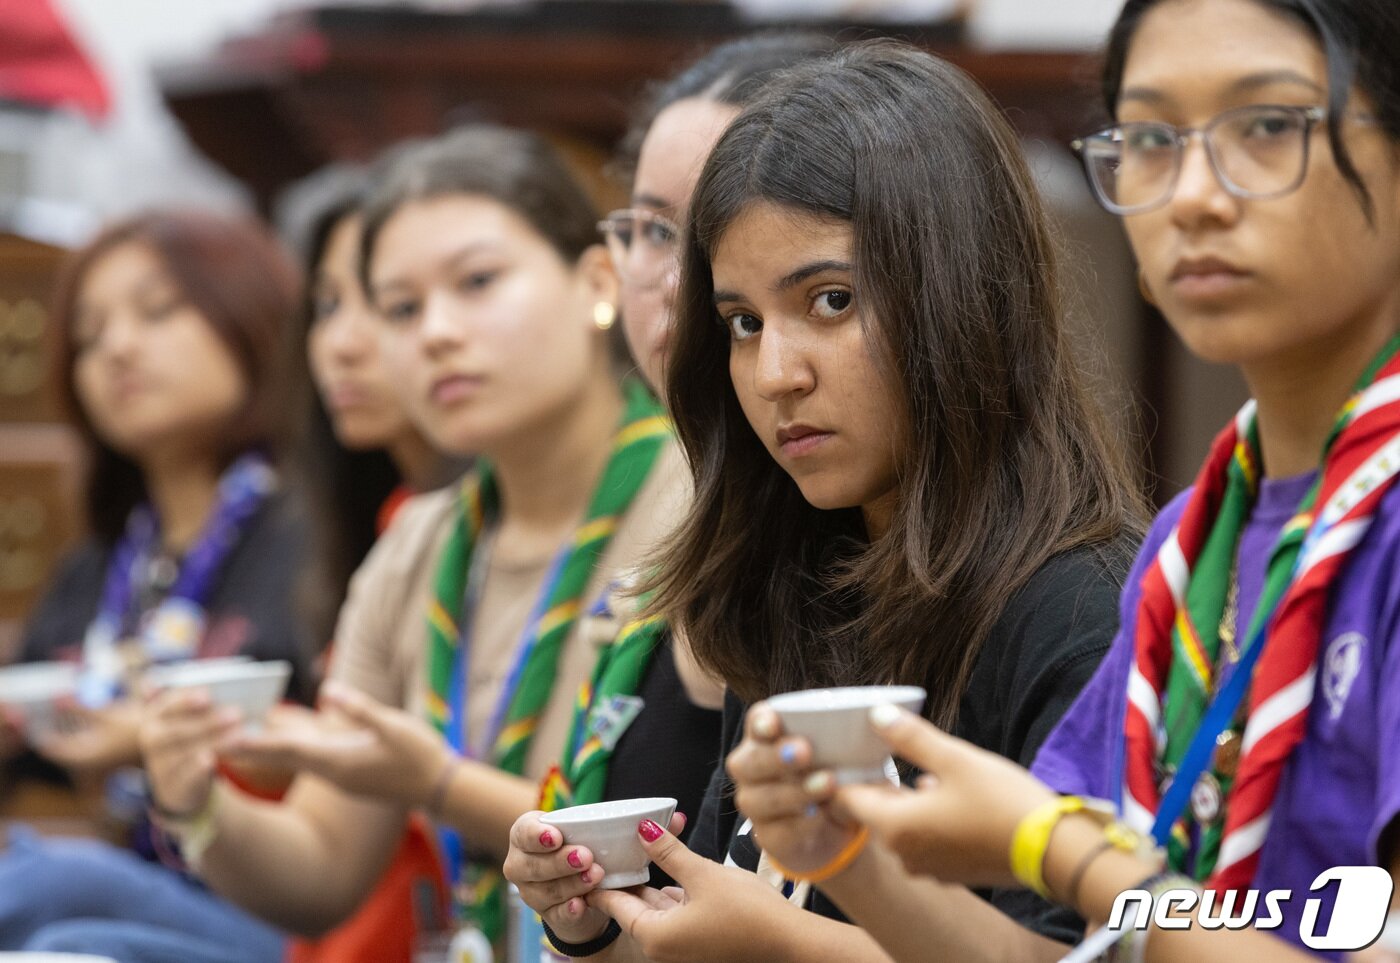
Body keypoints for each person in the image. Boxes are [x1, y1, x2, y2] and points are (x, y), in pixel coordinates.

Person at [510, 39, 1146, 962]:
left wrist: (779, 942)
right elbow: (744, 907)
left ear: (960, 292)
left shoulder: (1084, 610)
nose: (775, 374)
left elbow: (1092, 954)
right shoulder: (789, 579)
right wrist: (602, 920)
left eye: (833, 300)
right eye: (742, 323)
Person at [817, 2, 1400, 961]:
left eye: (1267, 127)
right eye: (1151, 140)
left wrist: (1058, 848)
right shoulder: (1189, 544)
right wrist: (849, 857)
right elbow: (1089, 953)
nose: (1194, 196)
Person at [138, 125, 696, 954]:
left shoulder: (695, 501)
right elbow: (323, 869)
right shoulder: (420, 545)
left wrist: (436, 782)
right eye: (400, 307)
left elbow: (674, 854)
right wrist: (197, 802)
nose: (434, 331)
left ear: (595, 282)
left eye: (477, 282)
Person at [0, 209, 311, 961]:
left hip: (286, 909)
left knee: (53, 885)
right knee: (66, 932)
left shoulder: (312, 534)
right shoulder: (100, 563)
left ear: (251, 318)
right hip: (136, 894)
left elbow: (352, 751)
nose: (118, 349)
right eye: (89, 334)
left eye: (158, 310)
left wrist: (149, 740)